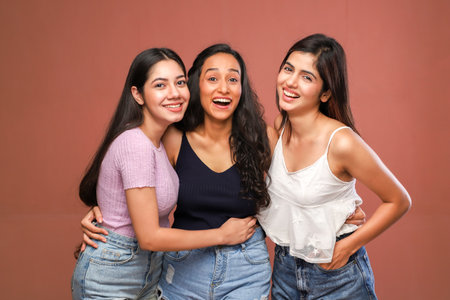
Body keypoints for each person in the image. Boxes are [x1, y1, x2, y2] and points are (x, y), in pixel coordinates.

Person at [79, 43, 367, 299]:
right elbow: (130, 173)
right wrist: (105, 212)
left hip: (246, 268)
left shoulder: (264, 138)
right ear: (196, 85)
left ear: (241, 89)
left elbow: (304, 176)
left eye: (233, 79)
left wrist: (334, 210)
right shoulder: (172, 138)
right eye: (213, 78)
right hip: (182, 269)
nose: (223, 88)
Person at [71, 48, 257, 300]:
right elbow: (148, 237)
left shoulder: (158, 142)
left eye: (179, 83)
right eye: (160, 85)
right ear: (137, 94)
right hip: (114, 274)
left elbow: (126, 196)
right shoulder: (137, 143)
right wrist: (222, 235)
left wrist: (103, 208)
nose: (174, 93)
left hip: (148, 272)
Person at [258, 33, 411, 299]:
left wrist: (347, 247)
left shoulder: (341, 143)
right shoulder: (280, 127)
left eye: (307, 77)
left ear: (326, 92)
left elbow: (399, 200)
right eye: (288, 69)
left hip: (337, 278)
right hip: (285, 269)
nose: (290, 82)